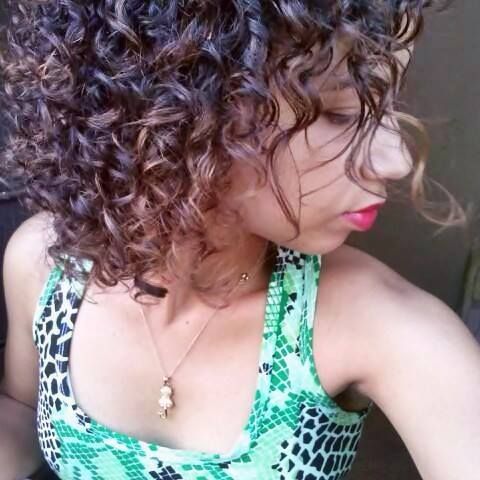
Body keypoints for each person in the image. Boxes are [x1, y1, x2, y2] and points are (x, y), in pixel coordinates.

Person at [0, 1, 479, 479]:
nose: (396, 159)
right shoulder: (47, 265)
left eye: (387, 105)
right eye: (340, 112)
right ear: (179, 107)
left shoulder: (385, 328)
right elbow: (21, 409)